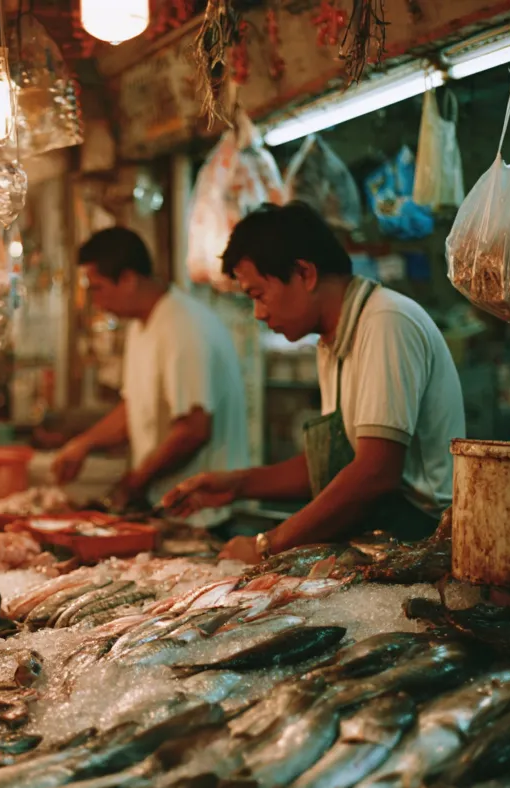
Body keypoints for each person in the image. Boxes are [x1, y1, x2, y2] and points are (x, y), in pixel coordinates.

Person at [164, 202, 466, 561]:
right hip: (384, 535)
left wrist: (267, 545)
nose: (258, 314)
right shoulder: (331, 338)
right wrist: (239, 484)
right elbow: (338, 465)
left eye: (258, 295)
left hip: (423, 539)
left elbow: (375, 473)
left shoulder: (386, 322)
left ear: (305, 274)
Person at [51, 227, 249, 519]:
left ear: (128, 279)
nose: (96, 302)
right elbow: (135, 407)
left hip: (206, 516)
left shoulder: (183, 326)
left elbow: (193, 430)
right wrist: (83, 444)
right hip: (169, 508)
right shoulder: (140, 324)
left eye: (97, 288)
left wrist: (134, 482)